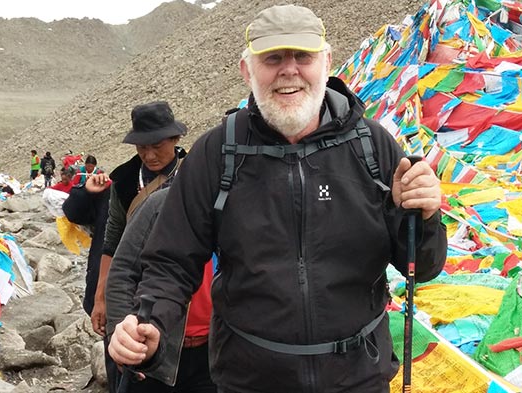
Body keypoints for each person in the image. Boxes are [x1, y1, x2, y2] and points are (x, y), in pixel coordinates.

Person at [108, 5, 448, 393]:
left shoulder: (373, 147)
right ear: (246, 69)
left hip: (359, 378)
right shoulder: (217, 153)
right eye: (272, 58)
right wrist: (150, 321)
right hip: (250, 381)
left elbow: (420, 266)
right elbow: (171, 262)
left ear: (327, 62)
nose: (289, 70)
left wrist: (424, 216)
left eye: (303, 56)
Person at [85, 101, 188, 392]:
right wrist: (101, 297)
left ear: (175, 139)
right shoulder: (125, 179)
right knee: (125, 364)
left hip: (177, 286)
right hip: (128, 283)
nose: (149, 155)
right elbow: (112, 240)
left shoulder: (196, 173)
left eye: (157, 145)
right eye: (142, 147)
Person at [106, 188, 216, 392]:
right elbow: (122, 271)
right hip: (156, 347)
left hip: (212, 351)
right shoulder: (159, 205)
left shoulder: (238, 208)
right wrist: (121, 334)